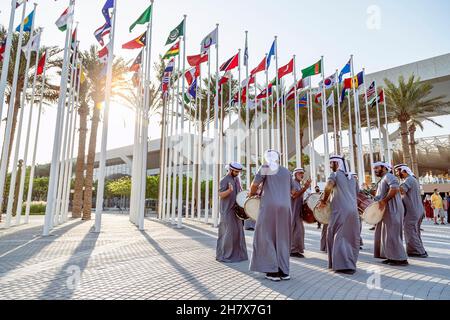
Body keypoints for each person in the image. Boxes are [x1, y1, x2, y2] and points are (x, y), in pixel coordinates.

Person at [249, 150, 294, 281]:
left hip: (269, 206)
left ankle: (272, 271)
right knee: (282, 238)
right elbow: (292, 190)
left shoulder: (265, 167)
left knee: (266, 236)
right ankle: (284, 271)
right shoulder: (286, 171)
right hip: (286, 207)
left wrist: (252, 194)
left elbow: (254, 184)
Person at [318, 155, 360, 274]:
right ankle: (350, 264)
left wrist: (323, 200)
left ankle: (343, 266)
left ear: (337, 163)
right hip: (353, 211)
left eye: (332, 163)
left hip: (340, 210)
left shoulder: (335, 175)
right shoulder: (353, 178)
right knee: (351, 237)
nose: (331, 166)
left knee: (338, 236)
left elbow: (328, 187)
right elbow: (357, 194)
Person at [373, 162, 408, 266]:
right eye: (374, 168)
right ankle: (391, 256)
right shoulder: (383, 179)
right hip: (387, 210)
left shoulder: (389, 176)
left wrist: (384, 201)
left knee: (393, 234)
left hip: (393, 209)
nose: (375, 170)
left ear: (384, 168)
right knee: (387, 234)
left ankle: (401, 259)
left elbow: (394, 188)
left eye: (377, 168)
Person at [216, 162, 248, 263]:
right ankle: (225, 256)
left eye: (238, 172)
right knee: (227, 234)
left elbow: (239, 192)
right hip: (227, 211)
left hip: (236, 210)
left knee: (238, 232)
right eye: (236, 171)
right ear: (230, 170)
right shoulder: (224, 180)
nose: (237, 173)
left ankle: (238, 255)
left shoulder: (237, 179)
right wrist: (229, 191)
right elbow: (220, 194)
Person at [394, 164, 428, 258]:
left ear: (404, 171)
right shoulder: (413, 179)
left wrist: (391, 187)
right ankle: (418, 250)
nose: (397, 173)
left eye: (398, 171)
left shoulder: (409, 179)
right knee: (415, 231)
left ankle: (418, 252)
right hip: (417, 209)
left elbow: (401, 190)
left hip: (412, 210)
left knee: (409, 230)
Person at [290, 168, 311, 258]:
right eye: (300, 173)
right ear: (295, 174)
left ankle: (296, 250)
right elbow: (294, 195)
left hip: (298, 211)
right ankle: (293, 251)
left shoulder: (298, 183)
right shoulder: (293, 182)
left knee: (299, 231)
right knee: (296, 231)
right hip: (293, 210)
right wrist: (305, 188)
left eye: (303, 173)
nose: (302, 175)